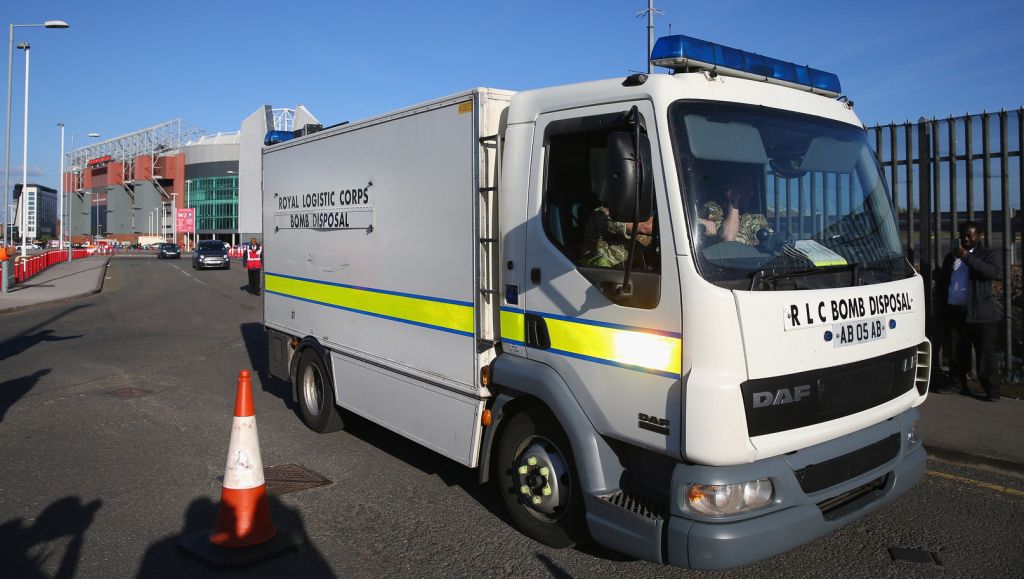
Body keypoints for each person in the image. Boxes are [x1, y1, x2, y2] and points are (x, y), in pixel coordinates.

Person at [936, 221, 1002, 401]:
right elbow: (946, 281)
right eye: (962, 235)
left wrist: (967, 257)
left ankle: (992, 391)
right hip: (957, 312)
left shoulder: (988, 254)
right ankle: (957, 384)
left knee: (985, 355)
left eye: (969, 235)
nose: (965, 238)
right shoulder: (952, 257)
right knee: (957, 353)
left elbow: (993, 272)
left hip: (981, 314)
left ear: (979, 236)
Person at [699, 172, 771, 246]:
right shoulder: (713, 208)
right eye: (746, 188)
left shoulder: (756, 215)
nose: (751, 192)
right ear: (732, 189)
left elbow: (771, 241)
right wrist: (734, 203)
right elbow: (728, 239)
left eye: (751, 188)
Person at [580, 207, 654, 268]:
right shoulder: (600, 214)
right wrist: (641, 227)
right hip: (605, 272)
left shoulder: (653, 213)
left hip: (642, 270)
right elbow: (644, 227)